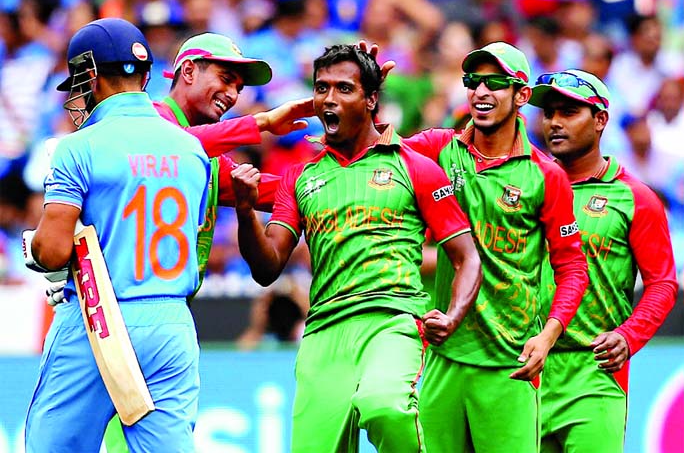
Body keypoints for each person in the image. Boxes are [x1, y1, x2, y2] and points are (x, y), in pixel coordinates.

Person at [231, 44, 482, 452]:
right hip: (323, 331)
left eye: (344, 88)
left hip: (393, 321)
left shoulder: (413, 165)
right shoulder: (300, 176)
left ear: (370, 100)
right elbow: (267, 266)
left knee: (385, 407)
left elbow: (466, 256)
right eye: (321, 88)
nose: (329, 99)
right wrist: (245, 210)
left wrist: (452, 316)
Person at [100, 31, 314, 452]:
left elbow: (273, 191)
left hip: (168, 319)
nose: (233, 92)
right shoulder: (149, 120)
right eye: (226, 77)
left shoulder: (206, 157)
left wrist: (342, 176)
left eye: (240, 85)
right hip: (115, 316)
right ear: (188, 70)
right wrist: (262, 122)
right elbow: (166, 146)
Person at [22, 18, 210, 452]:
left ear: (90, 75)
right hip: (171, 322)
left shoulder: (78, 147)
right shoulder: (190, 148)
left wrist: (33, 247)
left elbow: (52, 252)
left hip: (97, 318)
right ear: (145, 75)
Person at [402, 42, 588, 452]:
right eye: (473, 81)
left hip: (510, 364)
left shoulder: (546, 176)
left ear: (522, 95)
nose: (481, 92)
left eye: (496, 83)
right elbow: (375, 160)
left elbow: (573, 267)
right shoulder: (437, 148)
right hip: (443, 358)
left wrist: (549, 336)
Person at [527, 69, 679, 452]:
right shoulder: (526, 187)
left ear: (600, 120)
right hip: (524, 372)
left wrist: (628, 337)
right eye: (549, 113)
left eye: (569, 112)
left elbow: (662, 283)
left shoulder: (635, 198)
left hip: (594, 374)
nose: (554, 123)